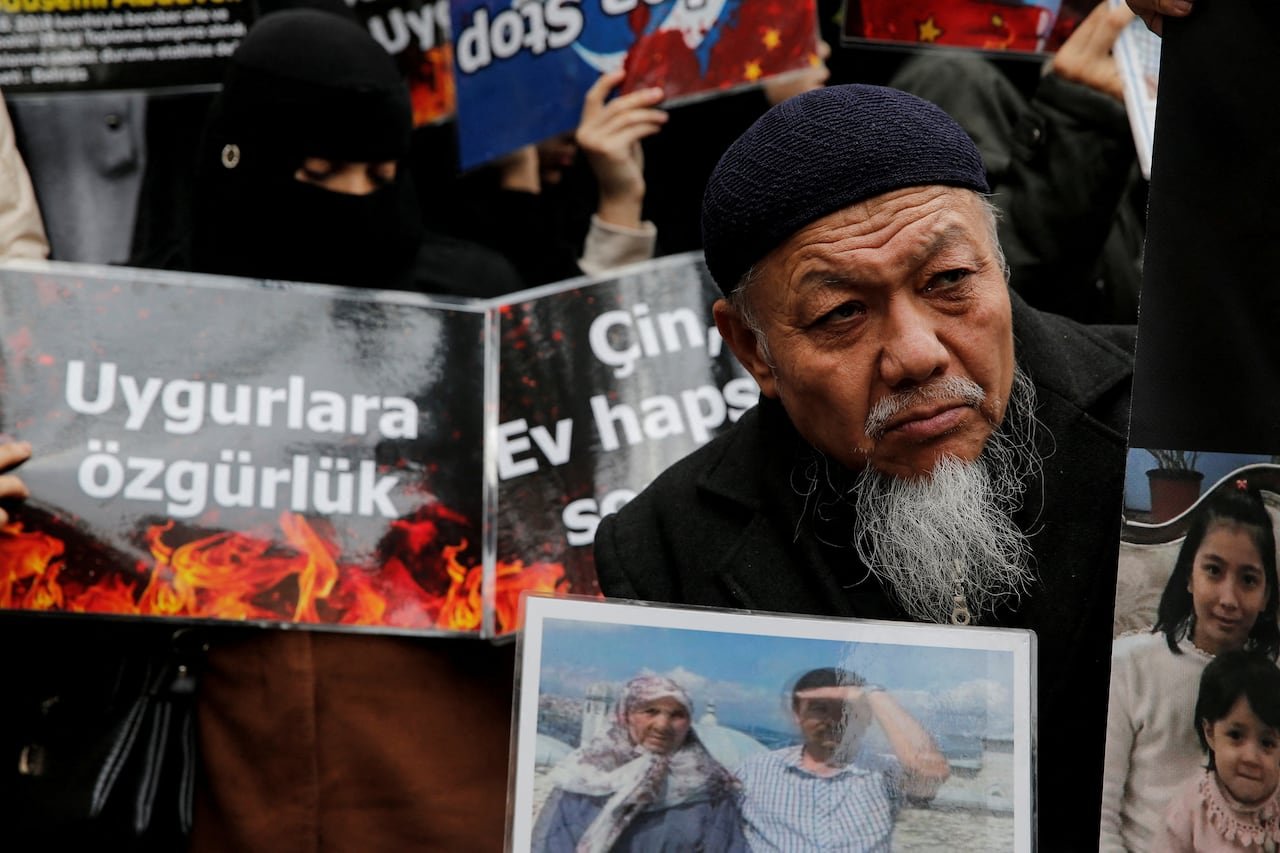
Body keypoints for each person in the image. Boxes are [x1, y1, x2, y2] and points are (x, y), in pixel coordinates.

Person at [591, 83, 1134, 850]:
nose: (916, 353)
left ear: (998, 268)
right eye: (841, 313)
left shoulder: (1162, 426)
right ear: (753, 349)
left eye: (949, 282)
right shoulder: (666, 546)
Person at [1101, 485, 1280, 851]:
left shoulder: (1274, 680)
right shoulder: (1130, 666)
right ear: (1188, 575)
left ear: (1266, 594)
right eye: (1214, 571)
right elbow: (1102, 819)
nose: (1229, 598)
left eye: (1248, 580)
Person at [735, 667, 949, 851]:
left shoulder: (885, 772)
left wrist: (872, 693)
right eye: (820, 708)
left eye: (847, 710)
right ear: (797, 715)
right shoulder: (754, 771)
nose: (835, 721)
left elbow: (929, 769)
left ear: (866, 718)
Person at [531, 675, 746, 852]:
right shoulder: (586, 776)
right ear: (626, 715)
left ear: (688, 723)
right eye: (650, 711)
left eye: (677, 715)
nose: (662, 725)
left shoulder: (710, 788)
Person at [1152, 650, 1280, 852]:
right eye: (1236, 736)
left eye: (1267, 743)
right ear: (1210, 733)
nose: (1251, 758)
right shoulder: (1188, 811)